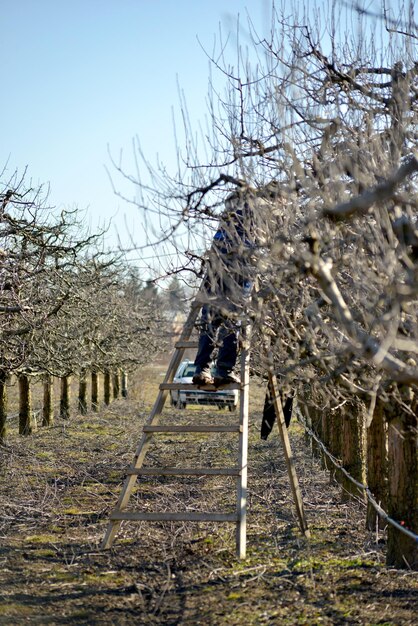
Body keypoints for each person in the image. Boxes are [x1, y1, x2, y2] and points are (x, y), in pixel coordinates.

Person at [192, 187, 258, 387]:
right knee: (232, 322)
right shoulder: (251, 216)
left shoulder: (224, 222)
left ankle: (202, 369)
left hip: (214, 277)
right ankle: (223, 370)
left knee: (210, 322)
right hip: (238, 276)